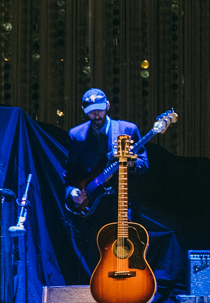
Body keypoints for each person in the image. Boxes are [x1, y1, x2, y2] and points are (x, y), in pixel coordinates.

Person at [63, 88, 148, 277]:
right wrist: (73, 193)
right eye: (91, 110)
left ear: (107, 106)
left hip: (126, 204)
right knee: (98, 259)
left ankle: (133, 297)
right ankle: (102, 298)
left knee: (132, 253)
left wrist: (131, 162)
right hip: (95, 210)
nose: (96, 115)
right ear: (84, 110)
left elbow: (144, 164)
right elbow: (70, 175)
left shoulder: (127, 129)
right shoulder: (76, 135)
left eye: (100, 109)